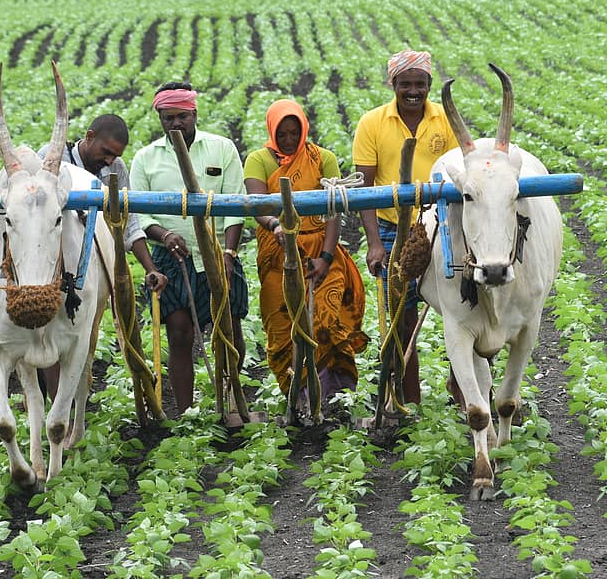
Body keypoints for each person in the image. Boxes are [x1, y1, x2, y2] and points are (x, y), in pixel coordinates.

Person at [129, 82, 248, 414]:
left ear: (194, 114)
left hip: (217, 253)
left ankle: (230, 405)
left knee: (230, 335)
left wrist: (228, 253)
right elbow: (139, 213)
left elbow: (235, 204)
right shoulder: (146, 159)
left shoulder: (221, 149)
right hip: (172, 258)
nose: (175, 124)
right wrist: (165, 234)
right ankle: (184, 414)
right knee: (180, 335)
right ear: (160, 118)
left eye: (181, 117)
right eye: (168, 118)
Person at [352, 50, 459, 405]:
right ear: (393, 84)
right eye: (405, 84)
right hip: (391, 229)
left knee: (462, 308)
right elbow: (364, 189)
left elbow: (460, 173)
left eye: (420, 84)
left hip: (439, 224)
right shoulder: (372, 123)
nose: (413, 91)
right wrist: (374, 245)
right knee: (402, 318)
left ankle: (463, 391)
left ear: (429, 85)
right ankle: (408, 401)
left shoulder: (445, 120)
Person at [244, 99, 368, 404]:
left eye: (294, 134)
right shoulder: (258, 160)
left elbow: (333, 208)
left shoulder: (322, 158)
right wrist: (276, 225)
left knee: (327, 321)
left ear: (304, 131)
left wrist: (325, 258)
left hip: (320, 250)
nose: (288, 140)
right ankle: (299, 400)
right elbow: (258, 204)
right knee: (283, 330)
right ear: (272, 131)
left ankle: (333, 397)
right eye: (282, 134)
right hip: (278, 253)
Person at [35, 114, 167, 401]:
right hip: (52, 265)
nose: (109, 161)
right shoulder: (51, 157)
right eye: (105, 152)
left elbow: (130, 223)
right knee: (49, 337)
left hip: (93, 267)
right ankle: (60, 408)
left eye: (115, 156)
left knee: (82, 337)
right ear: (89, 136)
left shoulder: (115, 170)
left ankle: (69, 403)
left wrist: (150, 267)